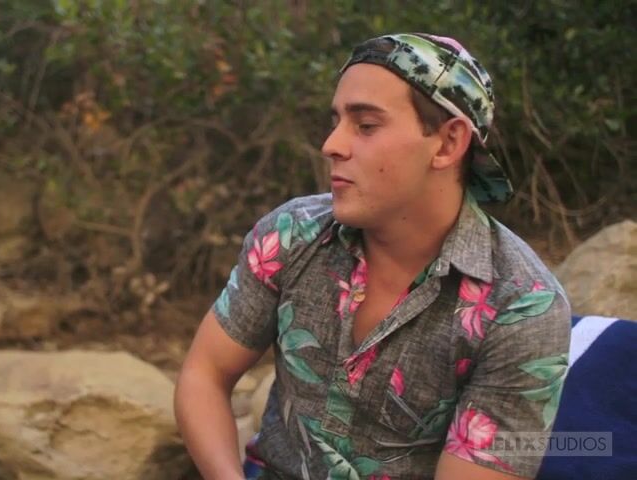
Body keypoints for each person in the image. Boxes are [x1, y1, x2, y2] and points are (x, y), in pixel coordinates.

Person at [174, 33, 571, 480]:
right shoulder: (291, 235)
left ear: (447, 143)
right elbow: (204, 374)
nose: (331, 144)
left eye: (365, 125)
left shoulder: (522, 308)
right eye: (337, 121)